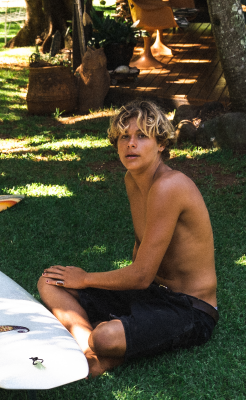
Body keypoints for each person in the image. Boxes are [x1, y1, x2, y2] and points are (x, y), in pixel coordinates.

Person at [38, 100, 218, 378]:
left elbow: (141, 275)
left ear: (160, 144)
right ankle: (90, 351)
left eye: (141, 136)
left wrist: (85, 279)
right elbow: (140, 258)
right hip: (151, 294)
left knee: (105, 337)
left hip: (190, 309)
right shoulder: (133, 179)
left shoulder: (169, 186)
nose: (130, 144)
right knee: (50, 281)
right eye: (124, 137)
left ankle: (97, 346)